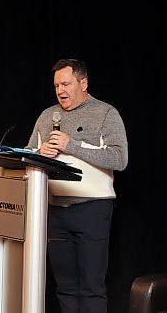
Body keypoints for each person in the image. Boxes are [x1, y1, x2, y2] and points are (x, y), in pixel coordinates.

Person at [26, 59, 128, 313]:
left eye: (66, 83)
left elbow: (119, 159)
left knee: (91, 288)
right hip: (54, 211)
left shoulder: (106, 113)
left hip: (92, 211)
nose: (60, 90)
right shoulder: (46, 116)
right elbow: (27, 154)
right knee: (66, 287)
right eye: (56, 85)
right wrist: (40, 151)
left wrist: (71, 145)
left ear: (83, 83)